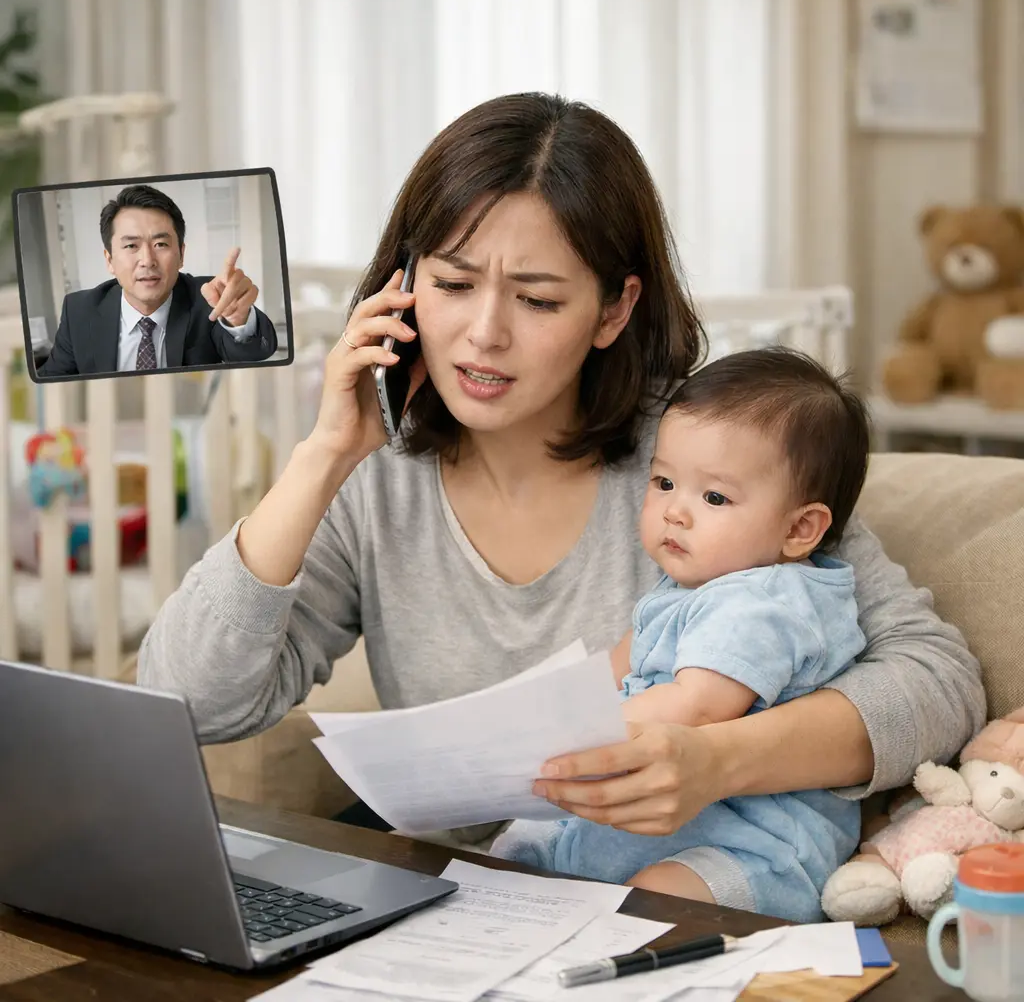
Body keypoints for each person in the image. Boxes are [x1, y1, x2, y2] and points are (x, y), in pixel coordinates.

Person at [136, 91, 986, 914]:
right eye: (454, 284)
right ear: (403, 285)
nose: (485, 334)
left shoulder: (708, 459)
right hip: (467, 905)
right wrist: (323, 457)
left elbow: (938, 682)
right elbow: (188, 701)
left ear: (614, 309)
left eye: (538, 299)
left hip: (664, 890)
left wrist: (718, 759)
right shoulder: (375, 476)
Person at [490, 346, 872, 921]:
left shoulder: (767, 601)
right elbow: (608, 671)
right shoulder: (681, 590)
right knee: (510, 854)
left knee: (657, 899)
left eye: (713, 497)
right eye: (664, 482)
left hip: (748, 845)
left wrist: (570, 740)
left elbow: (696, 707)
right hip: (641, 821)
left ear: (800, 529)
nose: (675, 511)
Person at [36, 184, 278, 377]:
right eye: (131, 245)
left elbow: (253, 357)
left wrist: (237, 318)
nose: (147, 260)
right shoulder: (79, 310)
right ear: (109, 260)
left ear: (181, 254)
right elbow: (51, 383)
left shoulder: (210, 297)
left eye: (160, 244)